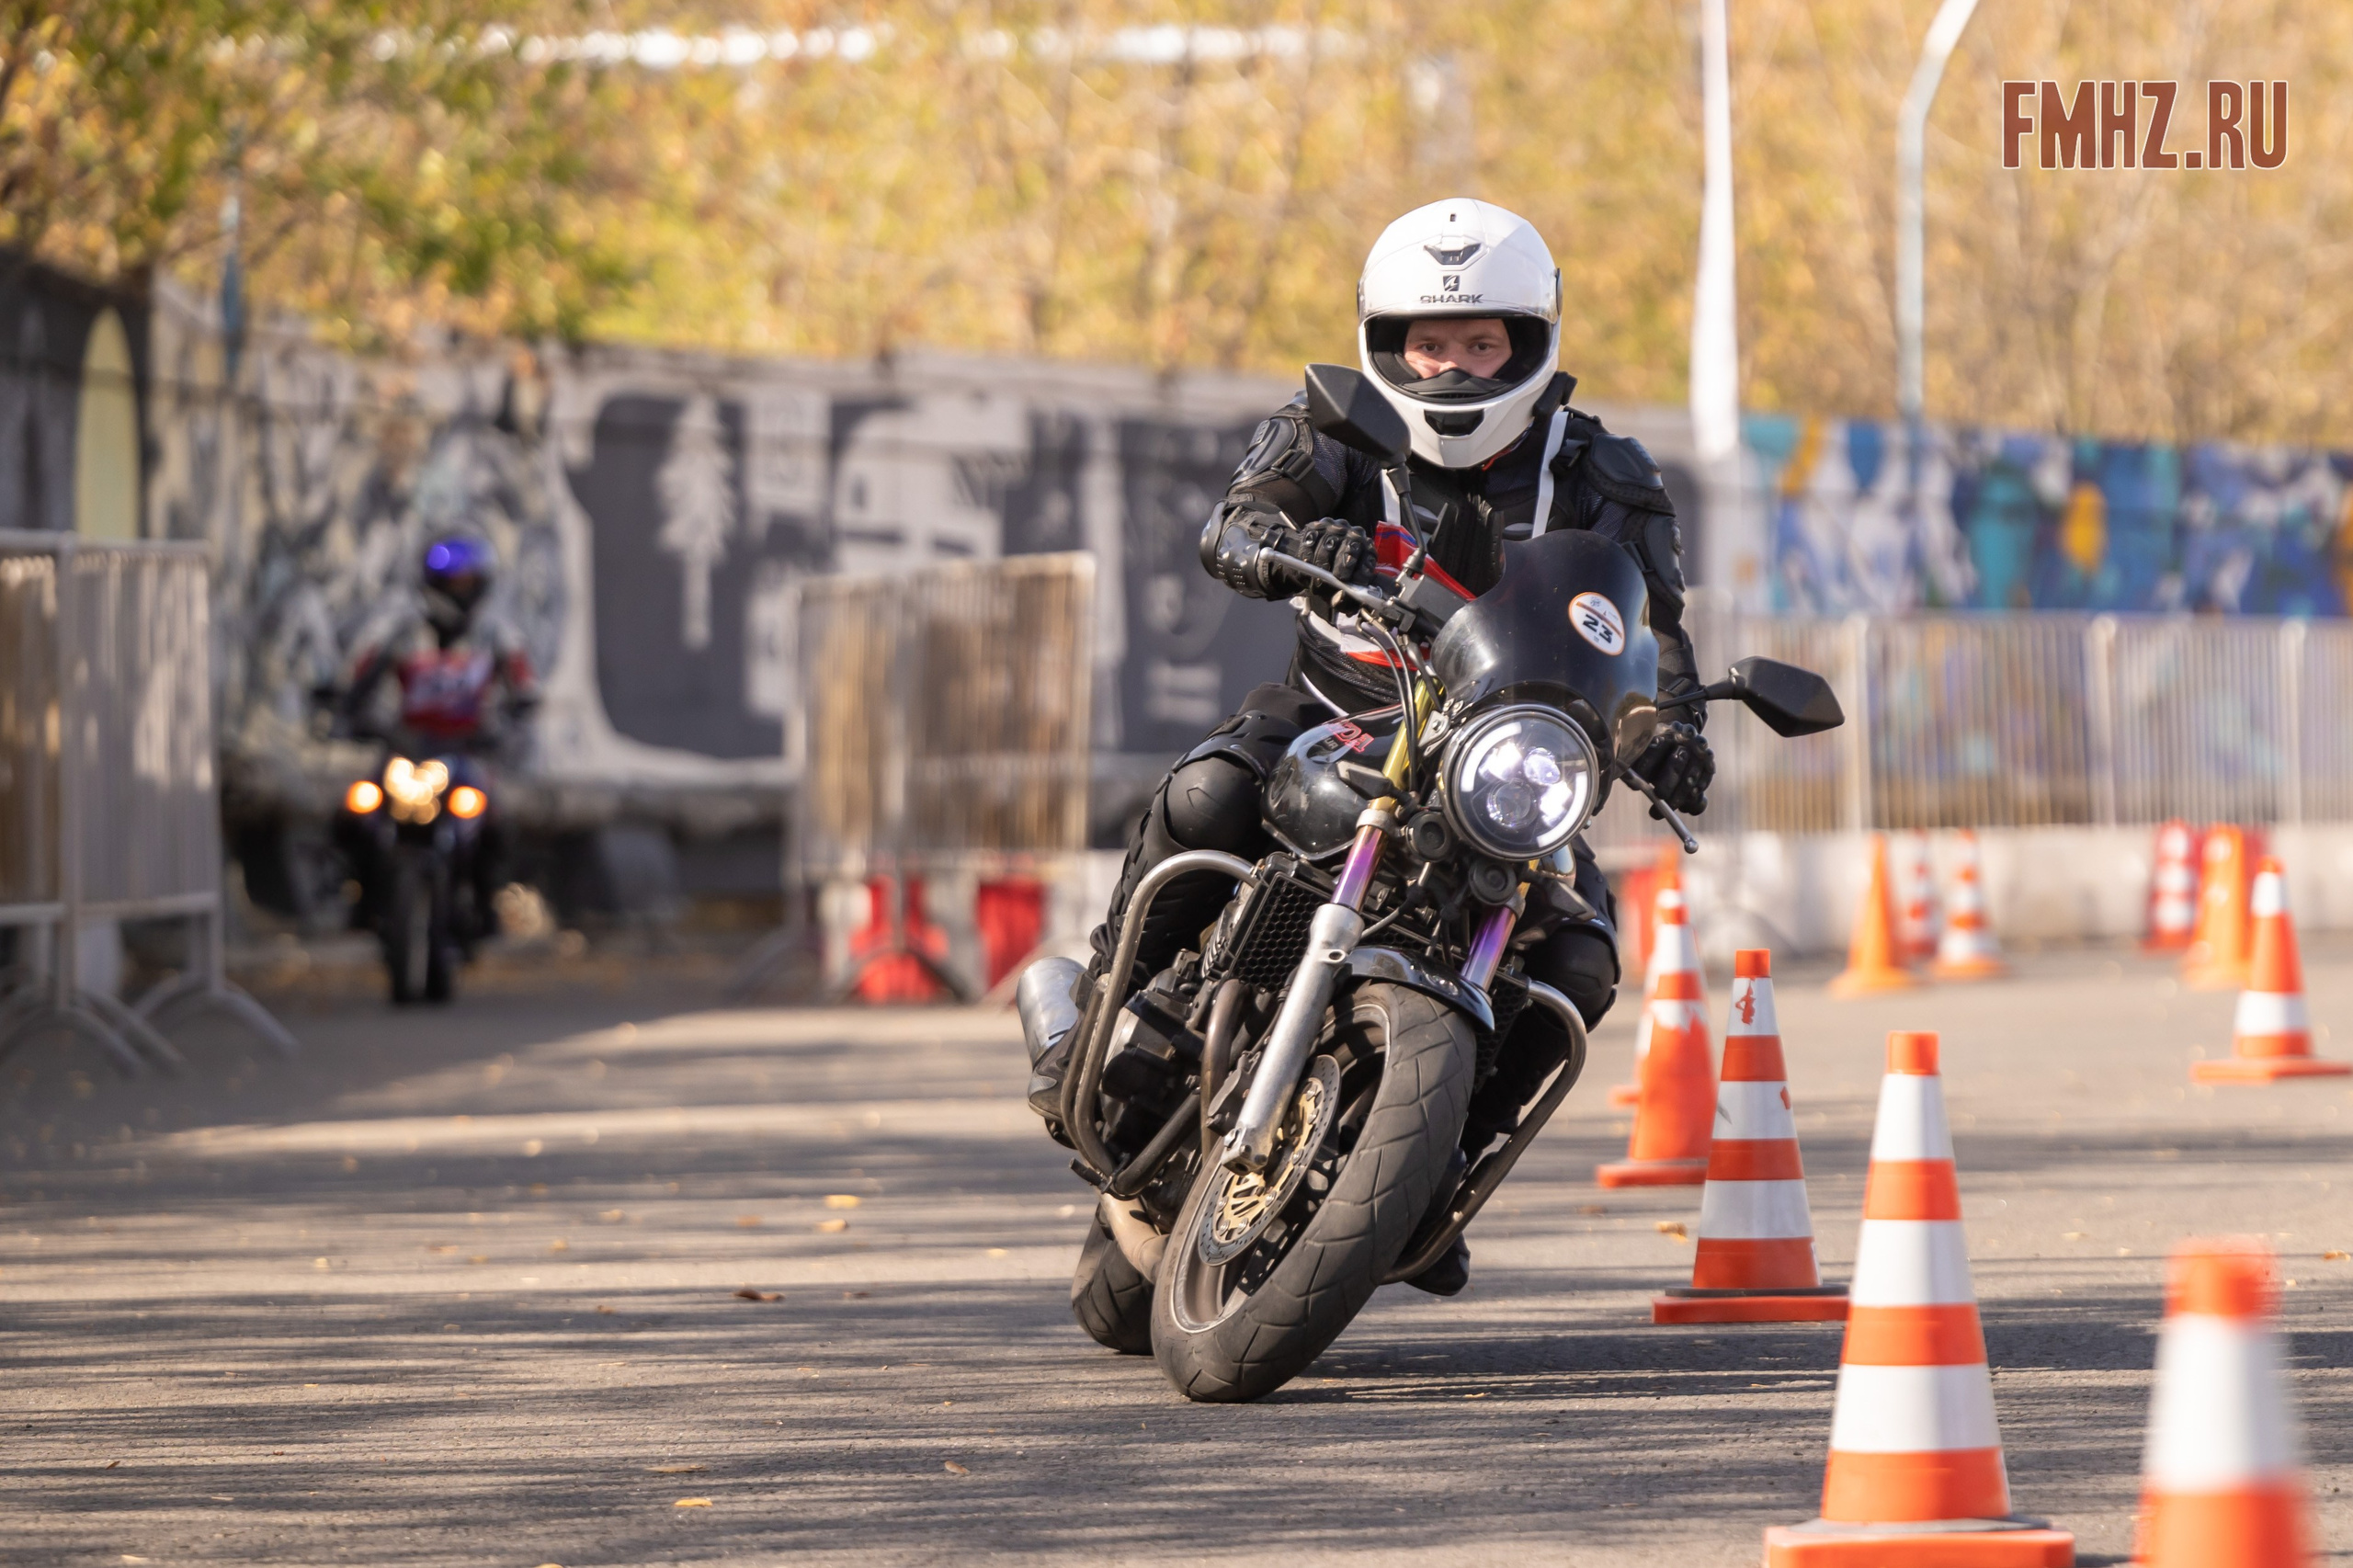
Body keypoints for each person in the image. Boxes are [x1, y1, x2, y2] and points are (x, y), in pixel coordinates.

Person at [1030, 198, 1715, 1294]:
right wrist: (1280, 539)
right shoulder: (1332, 426)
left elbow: (1656, 631)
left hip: (1502, 758)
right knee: (1209, 791)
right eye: (1429, 343)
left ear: (1528, 343)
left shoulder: (1606, 472)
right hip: (1332, 711)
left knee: (1581, 955)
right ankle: (1110, 1009)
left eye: (1480, 343)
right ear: (1386, 342)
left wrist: (1672, 725)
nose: (1452, 368)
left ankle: (1435, 1164)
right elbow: (1237, 517)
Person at [333, 534, 540, 939]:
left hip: (465, 752)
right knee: (356, 811)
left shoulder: (496, 635)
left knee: (493, 822)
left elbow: (523, 686)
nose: (458, 592)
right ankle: (360, 897)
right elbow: (358, 681)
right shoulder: (401, 632)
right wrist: (347, 708)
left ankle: (486, 904)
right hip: (408, 750)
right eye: (451, 582)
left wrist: (512, 718)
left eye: (467, 582)